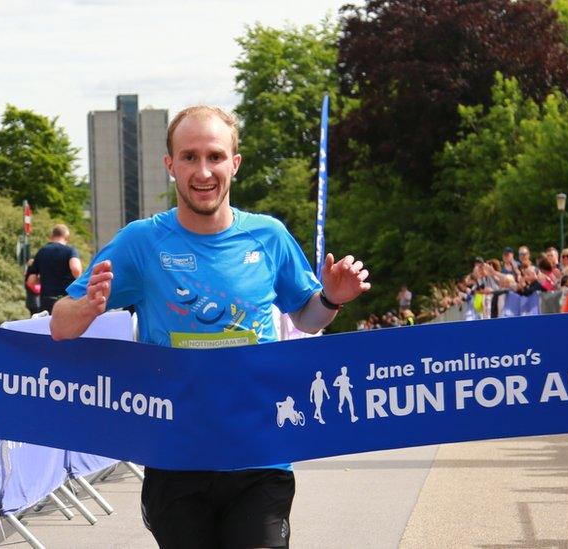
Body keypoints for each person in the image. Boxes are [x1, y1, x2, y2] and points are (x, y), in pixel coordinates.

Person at [49, 105, 370, 548]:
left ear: (234, 164)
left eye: (215, 156)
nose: (203, 171)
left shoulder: (268, 236)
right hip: (177, 460)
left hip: (259, 457)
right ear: (170, 165)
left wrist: (332, 297)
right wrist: (87, 308)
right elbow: (60, 326)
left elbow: (308, 319)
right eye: (189, 157)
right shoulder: (142, 243)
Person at [28, 224, 82, 314]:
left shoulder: (41, 252)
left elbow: (31, 281)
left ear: (52, 236)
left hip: (46, 301)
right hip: (67, 300)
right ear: (66, 238)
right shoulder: (70, 250)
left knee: (47, 327)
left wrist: (45, 278)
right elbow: (75, 268)